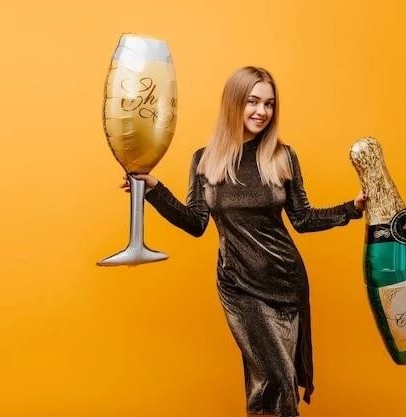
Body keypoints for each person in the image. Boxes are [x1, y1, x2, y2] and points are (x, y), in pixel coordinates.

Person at [120, 66, 366, 417]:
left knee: (265, 387)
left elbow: (303, 219)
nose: (261, 111)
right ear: (234, 103)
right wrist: (154, 190)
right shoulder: (205, 160)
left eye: (269, 104)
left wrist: (351, 208)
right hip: (239, 284)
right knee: (277, 379)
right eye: (253, 101)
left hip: (286, 283)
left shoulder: (283, 156)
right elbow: (195, 223)